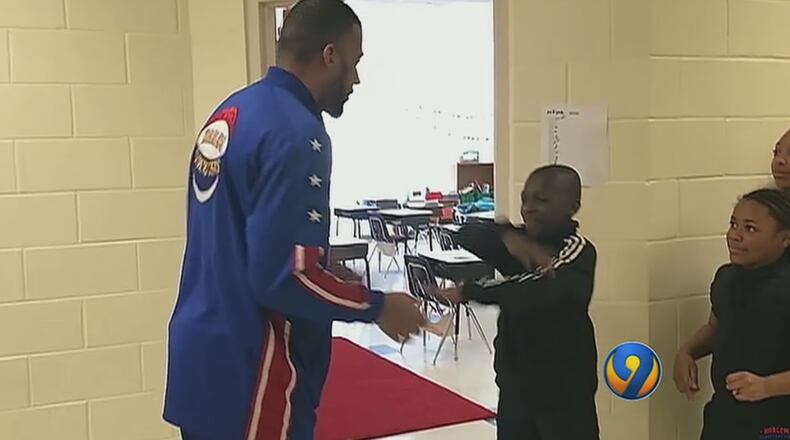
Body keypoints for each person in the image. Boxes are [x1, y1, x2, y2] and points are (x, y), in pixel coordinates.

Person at [163, 1, 425, 439]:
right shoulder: (299, 131)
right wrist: (377, 306)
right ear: (330, 55)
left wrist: (322, 268)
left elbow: (242, 242)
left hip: (202, 352)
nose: (356, 79)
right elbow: (280, 278)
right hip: (255, 366)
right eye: (355, 62)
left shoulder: (231, 112)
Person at [438, 164, 600, 440]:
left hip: (564, 394)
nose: (529, 208)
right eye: (525, 199)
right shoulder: (521, 240)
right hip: (516, 388)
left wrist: (472, 291)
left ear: (573, 206)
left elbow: (532, 289)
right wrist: (509, 235)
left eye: (542, 200)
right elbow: (465, 233)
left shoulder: (578, 251)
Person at [673, 188, 790, 439]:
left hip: (777, 421)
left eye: (750, 229)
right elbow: (717, 327)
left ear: (784, 239)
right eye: (733, 224)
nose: (735, 236)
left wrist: (767, 386)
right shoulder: (727, 278)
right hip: (725, 416)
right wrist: (687, 351)